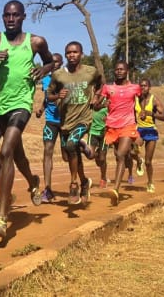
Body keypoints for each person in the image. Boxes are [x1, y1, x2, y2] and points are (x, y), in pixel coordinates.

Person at [0, 0, 53, 238]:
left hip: (21, 105)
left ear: (23, 17)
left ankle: (2, 216)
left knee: (6, 151)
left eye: (15, 15)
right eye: (7, 15)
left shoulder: (36, 42)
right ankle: (33, 181)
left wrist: (43, 70)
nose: (10, 19)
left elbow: (50, 61)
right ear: (2, 17)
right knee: (8, 154)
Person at [47, 41, 102, 206]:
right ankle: (85, 181)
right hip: (66, 122)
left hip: (84, 119)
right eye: (68, 53)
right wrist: (58, 97)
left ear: (81, 54)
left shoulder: (91, 72)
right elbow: (49, 95)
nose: (72, 55)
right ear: (65, 55)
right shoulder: (58, 75)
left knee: (71, 145)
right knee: (68, 156)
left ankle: (73, 184)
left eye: (75, 52)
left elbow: (101, 85)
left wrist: (96, 97)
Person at [95, 61, 141, 206]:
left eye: (122, 69)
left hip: (128, 125)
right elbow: (96, 106)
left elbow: (142, 101)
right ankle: (134, 157)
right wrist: (103, 104)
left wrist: (143, 117)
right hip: (112, 127)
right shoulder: (108, 88)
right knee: (119, 156)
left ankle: (115, 190)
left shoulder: (135, 88)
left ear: (127, 71)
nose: (119, 71)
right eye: (116, 69)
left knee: (120, 155)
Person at [35, 53, 63, 203]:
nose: (55, 64)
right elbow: (47, 98)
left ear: (62, 63)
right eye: (53, 62)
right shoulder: (46, 80)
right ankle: (47, 189)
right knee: (47, 151)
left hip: (66, 121)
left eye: (58, 62)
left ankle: (79, 182)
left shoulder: (67, 79)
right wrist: (41, 109)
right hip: (51, 120)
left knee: (67, 155)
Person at [134, 78, 164, 192]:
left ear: (149, 87)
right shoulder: (135, 99)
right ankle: (138, 160)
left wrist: (151, 113)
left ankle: (150, 182)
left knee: (148, 161)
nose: (143, 88)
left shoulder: (154, 100)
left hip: (151, 130)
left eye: (145, 86)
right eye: (141, 86)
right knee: (131, 150)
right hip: (139, 129)